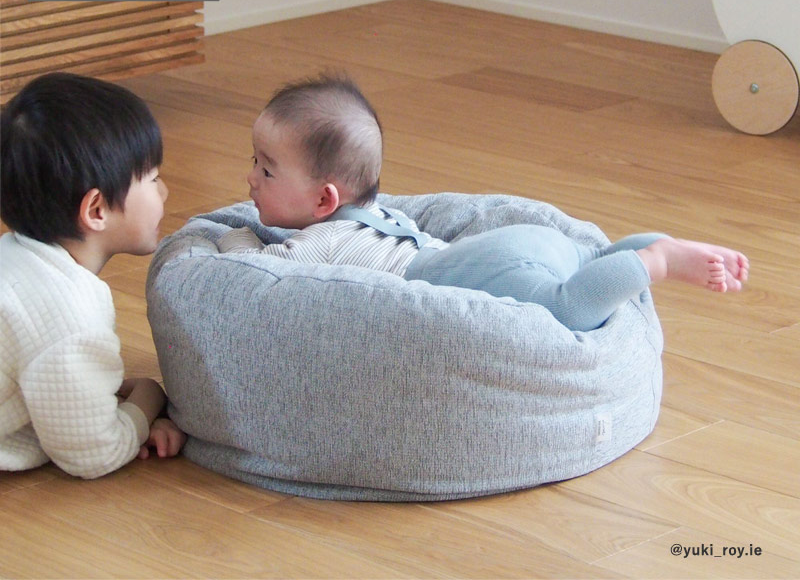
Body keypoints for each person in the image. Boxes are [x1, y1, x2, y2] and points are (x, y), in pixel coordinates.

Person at [219, 73, 749, 331]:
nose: (250, 180)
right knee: (590, 259)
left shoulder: (323, 240)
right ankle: (653, 245)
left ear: (325, 199)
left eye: (265, 170)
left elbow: (250, 271)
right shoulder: (378, 215)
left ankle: (657, 260)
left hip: (473, 271)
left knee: (566, 310)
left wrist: (236, 232)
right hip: (510, 247)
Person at [0, 72, 186, 478]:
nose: (165, 192)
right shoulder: (70, 318)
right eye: (153, 179)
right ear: (96, 210)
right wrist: (148, 398)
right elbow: (94, 453)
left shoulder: (11, 259)